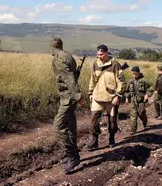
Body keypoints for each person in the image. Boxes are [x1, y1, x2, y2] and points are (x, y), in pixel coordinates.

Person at [51, 37, 83, 174]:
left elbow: (69, 79)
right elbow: (73, 75)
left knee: (58, 127)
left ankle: (72, 156)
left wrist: (78, 96)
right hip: (68, 97)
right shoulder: (68, 56)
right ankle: (72, 155)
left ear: (52, 47)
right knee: (70, 126)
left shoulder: (59, 59)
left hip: (68, 98)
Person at [86, 44, 126, 150]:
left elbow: (121, 82)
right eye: (98, 54)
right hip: (97, 97)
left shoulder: (115, 65)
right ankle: (94, 140)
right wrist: (90, 93)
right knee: (94, 119)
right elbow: (92, 79)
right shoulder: (95, 64)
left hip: (111, 98)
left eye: (102, 54)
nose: (99, 56)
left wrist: (118, 96)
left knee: (112, 121)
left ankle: (112, 138)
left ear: (107, 52)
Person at [125, 66, 152, 134]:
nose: (134, 75)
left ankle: (145, 123)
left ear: (139, 73)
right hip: (133, 101)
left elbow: (150, 88)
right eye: (133, 74)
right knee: (133, 115)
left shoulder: (144, 80)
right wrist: (127, 98)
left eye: (135, 74)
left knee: (141, 113)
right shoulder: (131, 81)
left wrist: (147, 94)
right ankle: (133, 130)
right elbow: (127, 91)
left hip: (141, 101)